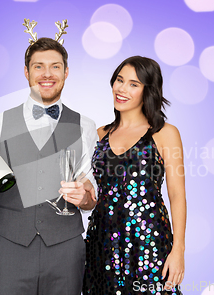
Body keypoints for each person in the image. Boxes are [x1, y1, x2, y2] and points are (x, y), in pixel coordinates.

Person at [0, 36, 98, 295]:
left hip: (66, 250)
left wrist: (84, 198)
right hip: (12, 249)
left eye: (55, 66)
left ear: (66, 72)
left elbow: (91, 195)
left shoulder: (85, 126)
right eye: (38, 66)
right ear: (26, 72)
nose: (47, 74)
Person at [83, 56, 187, 295]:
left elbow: (177, 195)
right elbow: (91, 190)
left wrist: (178, 249)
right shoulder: (99, 134)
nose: (122, 89)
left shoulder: (165, 134)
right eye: (119, 80)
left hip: (149, 243)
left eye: (133, 84)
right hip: (102, 243)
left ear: (147, 91)